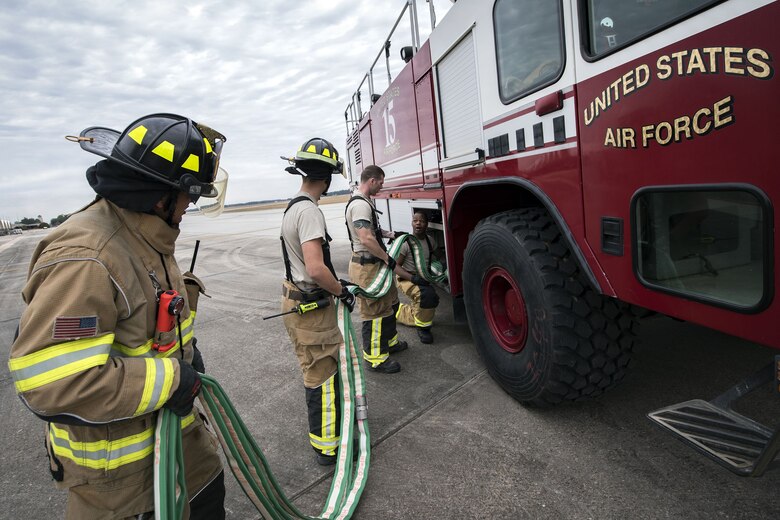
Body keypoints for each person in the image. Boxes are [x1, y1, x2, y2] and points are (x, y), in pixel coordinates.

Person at [8, 113, 228, 519]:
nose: (189, 207)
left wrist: (185, 356)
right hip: (125, 488)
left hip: (184, 457)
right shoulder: (88, 254)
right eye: (188, 197)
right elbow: (52, 381)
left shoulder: (144, 233)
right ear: (161, 196)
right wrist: (172, 377)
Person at [279, 137, 356, 466]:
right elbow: (314, 267)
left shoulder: (292, 207)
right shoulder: (309, 211)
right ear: (325, 179)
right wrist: (342, 291)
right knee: (322, 375)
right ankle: (328, 447)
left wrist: (336, 283)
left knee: (317, 371)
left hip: (296, 299)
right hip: (311, 308)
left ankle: (326, 438)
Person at [345, 165, 414, 374]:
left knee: (391, 303)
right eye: (381, 182)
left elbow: (373, 231)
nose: (382, 187)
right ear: (372, 180)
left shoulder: (365, 203)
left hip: (376, 266)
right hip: (367, 267)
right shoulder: (359, 205)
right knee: (374, 312)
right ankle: (375, 358)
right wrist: (388, 260)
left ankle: (390, 342)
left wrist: (392, 234)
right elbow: (366, 238)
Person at [394, 211, 441, 344]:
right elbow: (396, 266)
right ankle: (423, 328)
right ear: (412, 223)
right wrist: (412, 279)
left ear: (427, 225)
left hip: (423, 278)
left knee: (431, 300)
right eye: (415, 220)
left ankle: (397, 311)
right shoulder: (406, 243)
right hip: (407, 278)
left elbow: (439, 256)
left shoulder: (430, 241)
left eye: (422, 221)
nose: (418, 223)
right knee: (426, 296)